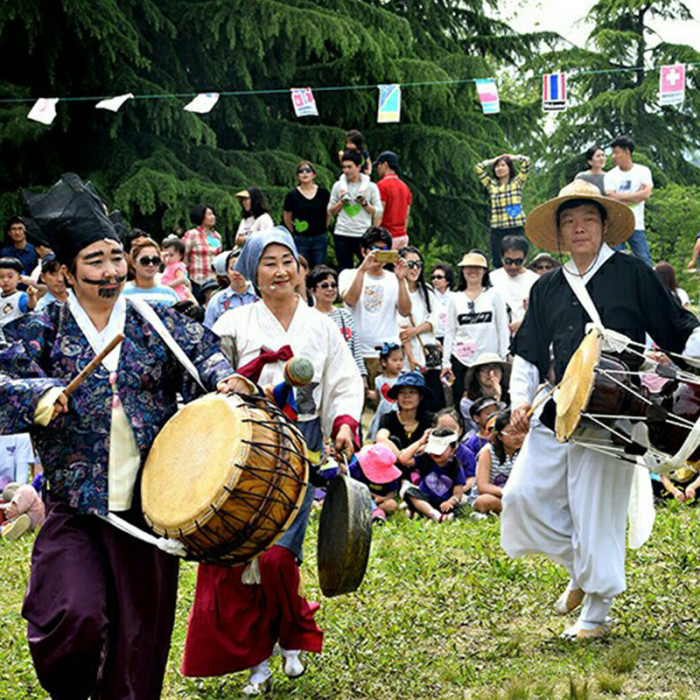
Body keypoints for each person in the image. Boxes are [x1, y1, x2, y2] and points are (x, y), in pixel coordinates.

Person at [0, 172, 250, 698]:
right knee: (70, 617)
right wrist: (40, 394)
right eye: (95, 261)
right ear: (65, 272)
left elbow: (202, 358)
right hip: (77, 511)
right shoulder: (39, 332)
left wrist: (223, 378)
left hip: (149, 512)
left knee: (138, 653)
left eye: (117, 258)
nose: (111, 271)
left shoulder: (156, 323)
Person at [501, 179, 700, 640]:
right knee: (521, 498)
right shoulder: (548, 284)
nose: (579, 228)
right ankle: (581, 569)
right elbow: (529, 353)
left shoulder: (632, 272)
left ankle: (596, 613)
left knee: (596, 510)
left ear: (605, 225)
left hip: (616, 410)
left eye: (588, 219)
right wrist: (520, 402)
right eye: (569, 221)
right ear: (559, 232)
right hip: (559, 408)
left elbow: (677, 327)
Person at [183, 226, 363, 693]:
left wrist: (343, 423)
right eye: (269, 262)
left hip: (299, 451)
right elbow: (208, 382)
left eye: (288, 261)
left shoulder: (322, 326)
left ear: (301, 270)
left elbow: (344, 381)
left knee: (280, 558)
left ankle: (290, 637)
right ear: (252, 274)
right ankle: (256, 657)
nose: (281, 271)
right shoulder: (233, 324)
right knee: (243, 558)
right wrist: (240, 383)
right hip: (243, 453)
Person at [339, 227, 410, 392]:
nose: (379, 254)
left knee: (388, 406)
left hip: (388, 354)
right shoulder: (348, 274)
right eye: (375, 249)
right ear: (364, 251)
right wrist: (363, 269)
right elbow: (350, 300)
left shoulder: (394, 279)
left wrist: (401, 280)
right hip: (357, 351)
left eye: (384, 250)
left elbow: (405, 311)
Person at [440, 252, 509, 409]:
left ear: (484, 271)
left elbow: (502, 327)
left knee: (493, 399)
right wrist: (446, 362)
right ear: (462, 271)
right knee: (461, 401)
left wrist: (503, 356)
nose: (472, 271)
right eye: (468, 268)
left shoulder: (494, 295)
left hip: (489, 358)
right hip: (462, 358)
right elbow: (450, 331)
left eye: (477, 268)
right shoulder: (454, 298)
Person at [398, 245, 444, 412]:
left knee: (434, 403)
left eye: (418, 264)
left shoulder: (427, 292)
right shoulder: (395, 290)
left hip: (429, 356)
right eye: (410, 264)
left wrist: (415, 330)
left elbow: (434, 321)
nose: (415, 268)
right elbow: (401, 327)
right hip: (407, 357)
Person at [306, 265, 366, 380]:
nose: (330, 289)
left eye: (333, 285)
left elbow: (356, 349)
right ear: (312, 290)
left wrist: (362, 375)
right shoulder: (308, 317)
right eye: (324, 286)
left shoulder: (345, 315)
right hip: (320, 377)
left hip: (346, 376)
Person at [329, 150, 383, 272]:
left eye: (350, 167)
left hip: (362, 234)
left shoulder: (371, 187)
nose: (346, 170)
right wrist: (342, 202)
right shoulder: (338, 186)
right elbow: (331, 210)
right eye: (344, 167)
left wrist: (364, 204)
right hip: (342, 233)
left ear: (359, 167)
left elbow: (378, 211)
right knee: (343, 269)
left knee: (367, 268)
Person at [604, 134, 653, 265]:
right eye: (612, 153)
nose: (613, 156)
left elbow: (647, 194)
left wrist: (620, 198)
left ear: (627, 152)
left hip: (636, 223)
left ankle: (650, 285)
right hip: (616, 225)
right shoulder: (610, 175)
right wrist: (637, 195)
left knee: (645, 261)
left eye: (616, 153)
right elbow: (611, 199)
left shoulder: (643, 171)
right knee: (617, 262)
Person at [474, 153, 530, 268]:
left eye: (503, 165)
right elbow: (478, 168)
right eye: (497, 166)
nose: (499, 168)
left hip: (515, 226)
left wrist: (512, 157)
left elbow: (526, 162)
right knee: (498, 260)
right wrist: (492, 160)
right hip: (497, 227)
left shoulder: (517, 183)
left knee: (518, 257)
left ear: (509, 168)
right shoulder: (492, 185)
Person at [399, 427, 465, 522]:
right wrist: (420, 442)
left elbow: (458, 493)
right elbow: (403, 460)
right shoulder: (425, 460)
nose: (435, 453)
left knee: (461, 506)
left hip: (444, 503)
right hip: (424, 500)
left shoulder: (455, 466)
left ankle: (421, 513)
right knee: (410, 492)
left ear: (453, 449)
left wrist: (449, 502)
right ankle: (434, 515)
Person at [470, 409, 521, 515]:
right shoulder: (488, 451)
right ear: (500, 436)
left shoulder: (525, 452)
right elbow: (483, 486)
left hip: (516, 497)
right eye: (512, 433)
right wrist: (507, 492)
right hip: (495, 495)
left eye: (521, 432)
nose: (518, 437)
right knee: (485, 501)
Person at [282, 161, 331, 269]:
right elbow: (287, 216)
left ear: (314, 174)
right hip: (300, 239)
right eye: (301, 171)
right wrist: (294, 230)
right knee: (301, 268)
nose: (305, 173)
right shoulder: (292, 195)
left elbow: (328, 214)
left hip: (319, 237)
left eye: (308, 170)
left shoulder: (323, 193)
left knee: (320, 269)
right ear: (297, 176)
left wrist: (323, 228)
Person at [375, 371, 434, 459]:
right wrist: (401, 457)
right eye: (402, 392)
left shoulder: (430, 420)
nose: (406, 396)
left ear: (420, 396)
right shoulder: (389, 418)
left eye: (412, 392)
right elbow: (381, 438)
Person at [489, 235, 539, 335]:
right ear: (501, 258)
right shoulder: (491, 278)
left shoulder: (536, 280)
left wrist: (524, 323)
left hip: (527, 336)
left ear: (525, 259)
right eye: (508, 261)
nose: (513, 266)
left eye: (518, 262)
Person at [203, 249, 257, 329]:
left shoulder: (260, 296)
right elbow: (208, 330)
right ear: (226, 271)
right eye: (233, 268)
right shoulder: (217, 301)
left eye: (241, 268)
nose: (237, 273)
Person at [348, 444, 402, 525]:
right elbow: (352, 487)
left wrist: (382, 498)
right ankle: (374, 513)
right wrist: (370, 495)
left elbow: (391, 492)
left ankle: (375, 512)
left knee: (391, 505)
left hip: (379, 501)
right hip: (360, 499)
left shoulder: (390, 476)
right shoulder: (356, 469)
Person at [459, 353, 511, 434]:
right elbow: (478, 430)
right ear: (477, 374)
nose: (491, 373)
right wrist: (497, 398)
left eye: (495, 368)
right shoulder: (467, 402)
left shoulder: (511, 396)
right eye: (485, 368)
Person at [122, 238, 180, 307]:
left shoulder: (170, 294)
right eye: (145, 261)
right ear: (134, 263)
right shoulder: (122, 293)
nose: (151, 265)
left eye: (155, 260)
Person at [183, 204, 223, 302]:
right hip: (197, 280)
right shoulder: (192, 235)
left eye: (213, 214)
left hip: (214, 281)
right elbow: (184, 257)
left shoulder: (217, 236)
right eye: (209, 214)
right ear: (201, 216)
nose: (213, 217)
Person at [366, 342, 404, 441]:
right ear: (384, 362)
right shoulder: (379, 380)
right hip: (383, 413)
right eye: (394, 360)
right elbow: (378, 397)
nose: (399, 363)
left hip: (398, 412)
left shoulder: (403, 379)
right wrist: (368, 393)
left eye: (401, 360)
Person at [375, 151, 412, 249]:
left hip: (387, 238)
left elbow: (379, 213)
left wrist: (374, 236)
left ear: (385, 164)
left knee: (381, 264)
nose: (377, 168)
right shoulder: (405, 187)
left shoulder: (381, 186)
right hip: (402, 237)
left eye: (379, 165)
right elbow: (406, 216)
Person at [0, 257, 36, 327]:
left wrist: (31, 296)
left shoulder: (20, 296)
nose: (5, 280)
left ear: (19, 279)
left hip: (14, 334)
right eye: (1, 277)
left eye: (10, 277)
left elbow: (30, 307)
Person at [1, 217, 39, 281]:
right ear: (9, 233)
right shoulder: (4, 253)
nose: (17, 232)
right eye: (14, 229)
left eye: (20, 229)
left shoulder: (35, 251)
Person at [160, 237, 193, 302]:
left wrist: (169, 286)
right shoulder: (170, 265)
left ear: (180, 255)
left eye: (171, 255)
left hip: (175, 293)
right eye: (166, 255)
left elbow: (181, 279)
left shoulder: (177, 266)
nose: (168, 258)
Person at [429, 263, 455, 344]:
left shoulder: (455, 297)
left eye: (439, 277)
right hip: (434, 339)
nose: (435, 280)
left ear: (447, 280)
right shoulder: (428, 297)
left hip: (452, 339)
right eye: (433, 277)